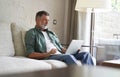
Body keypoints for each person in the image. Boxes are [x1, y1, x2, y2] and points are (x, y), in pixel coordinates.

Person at [25, 11, 94, 66]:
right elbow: (30, 54)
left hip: (60, 54)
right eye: (44, 20)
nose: (47, 23)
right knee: (68, 57)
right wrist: (47, 54)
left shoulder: (51, 33)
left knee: (86, 54)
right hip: (48, 56)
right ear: (37, 20)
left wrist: (72, 50)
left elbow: (60, 48)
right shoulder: (31, 33)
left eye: (48, 20)